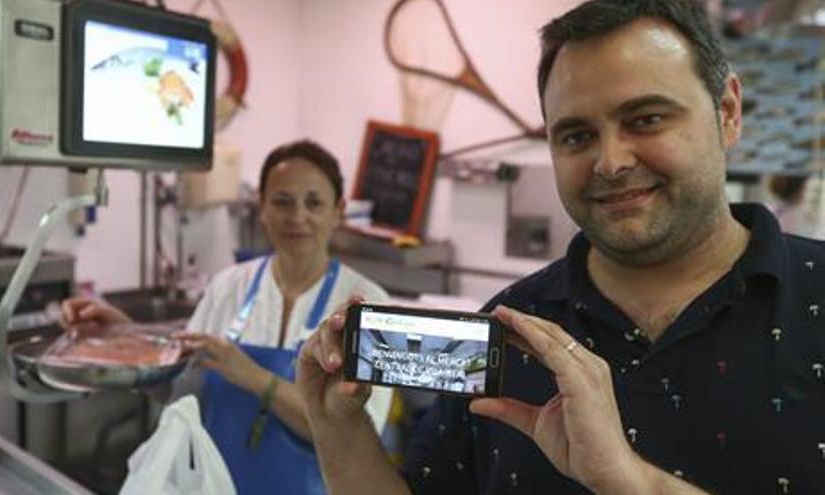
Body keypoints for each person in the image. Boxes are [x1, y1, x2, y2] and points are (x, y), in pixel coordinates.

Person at [296, 1, 825, 494]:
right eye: (575, 136)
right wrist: (338, 427)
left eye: (646, 119)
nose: (610, 162)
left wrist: (632, 483)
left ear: (727, 112)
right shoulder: (512, 326)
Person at [61, 140, 393, 495]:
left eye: (313, 203)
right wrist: (125, 337)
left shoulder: (366, 305)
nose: (297, 217)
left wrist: (251, 375)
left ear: (338, 211)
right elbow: (177, 388)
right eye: (282, 201)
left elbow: (354, 441)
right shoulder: (229, 286)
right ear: (262, 207)